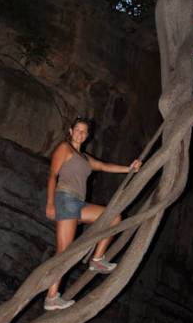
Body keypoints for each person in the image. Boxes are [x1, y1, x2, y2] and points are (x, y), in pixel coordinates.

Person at [44, 117, 142, 310]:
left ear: (87, 135)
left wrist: (129, 168)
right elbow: (52, 176)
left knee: (113, 217)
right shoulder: (65, 149)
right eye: (77, 130)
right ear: (71, 131)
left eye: (84, 132)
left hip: (78, 204)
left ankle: (97, 259)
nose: (81, 134)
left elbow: (105, 166)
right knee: (64, 252)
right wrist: (50, 204)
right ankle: (51, 297)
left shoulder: (86, 158)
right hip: (65, 199)